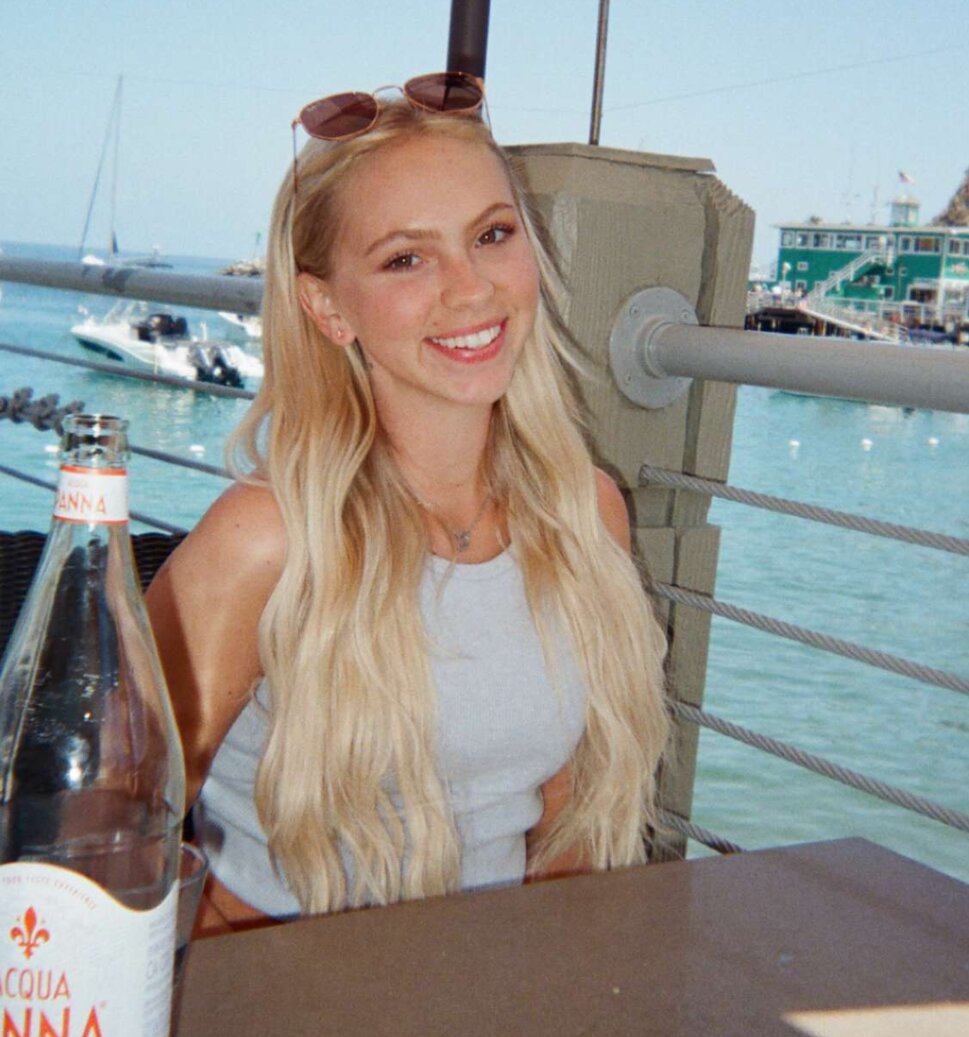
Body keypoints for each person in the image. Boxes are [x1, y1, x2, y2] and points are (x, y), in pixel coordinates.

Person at [147, 75, 670, 932]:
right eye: (406, 258)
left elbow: (568, 823)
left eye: (491, 236)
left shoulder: (583, 515)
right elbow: (111, 822)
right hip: (280, 988)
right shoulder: (268, 541)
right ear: (325, 306)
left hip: (491, 981)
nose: (471, 290)